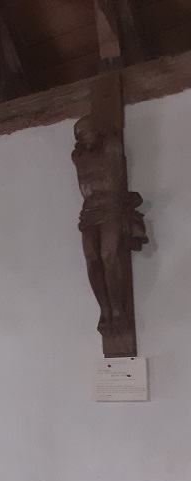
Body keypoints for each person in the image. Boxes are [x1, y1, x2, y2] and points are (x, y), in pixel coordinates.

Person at [72, 115, 148, 334]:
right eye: (77, 136)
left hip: (111, 209)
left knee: (109, 255)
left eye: (84, 133)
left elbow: (112, 138)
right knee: (92, 260)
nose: (80, 139)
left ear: (98, 131)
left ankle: (117, 310)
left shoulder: (111, 147)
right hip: (88, 213)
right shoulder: (78, 156)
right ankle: (104, 310)